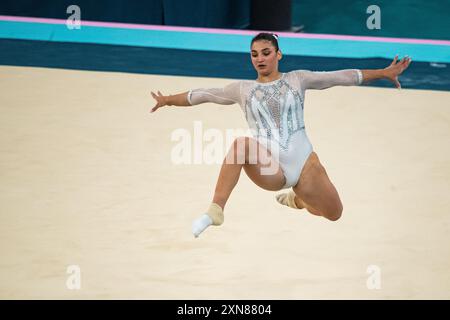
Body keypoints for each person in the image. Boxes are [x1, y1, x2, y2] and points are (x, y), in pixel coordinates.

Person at [150, 32, 411, 238]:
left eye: (266, 52)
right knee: (241, 144)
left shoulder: (298, 79)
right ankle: (215, 210)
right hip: (270, 167)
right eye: (254, 55)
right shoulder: (242, 89)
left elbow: (340, 77)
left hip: (305, 163)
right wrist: (167, 100)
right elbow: (202, 95)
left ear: (278, 54)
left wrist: (383, 73)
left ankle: (296, 200)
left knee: (334, 213)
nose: (260, 58)